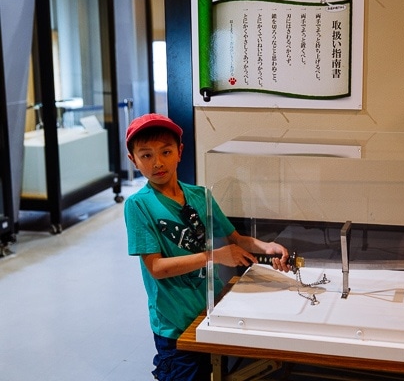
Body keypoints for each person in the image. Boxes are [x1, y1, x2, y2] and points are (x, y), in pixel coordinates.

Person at [124, 113, 290, 381]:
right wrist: (213, 256)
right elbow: (156, 267)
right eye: (146, 155)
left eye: (165, 151)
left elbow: (236, 238)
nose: (157, 163)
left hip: (210, 311)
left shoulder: (200, 195)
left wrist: (265, 246)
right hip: (174, 326)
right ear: (133, 160)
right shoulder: (138, 205)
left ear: (179, 152)